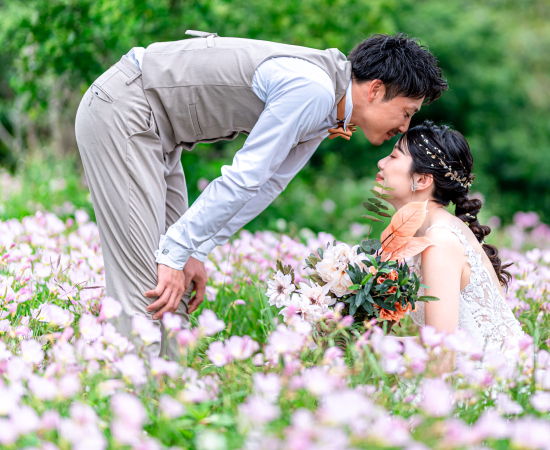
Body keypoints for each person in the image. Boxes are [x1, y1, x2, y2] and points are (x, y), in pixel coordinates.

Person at [75, 32, 447, 359]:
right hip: (125, 110)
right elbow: (245, 176)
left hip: (161, 135)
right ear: (376, 89)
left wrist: (195, 250)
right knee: (149, 287)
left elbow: (269, 184)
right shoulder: (313, 89)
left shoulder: (329, 104)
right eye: (407, 112)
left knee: (178, 292)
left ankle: (165, 404)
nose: (405, 127)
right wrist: (177, 250)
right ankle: (124, 415)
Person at [375, 120, 524, 370]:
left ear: (422, 180)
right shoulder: (426, 234)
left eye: (393, 156)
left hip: (487, 384)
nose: (381, 163)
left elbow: (443, 357)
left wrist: (371, 347)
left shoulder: (440, 240)